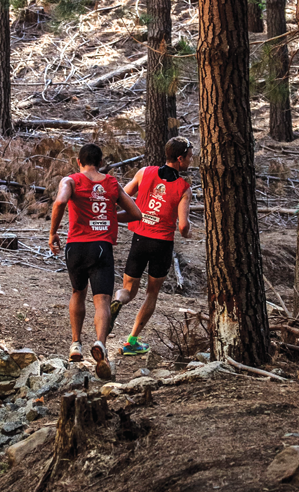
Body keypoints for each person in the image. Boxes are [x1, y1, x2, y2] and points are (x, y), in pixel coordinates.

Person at [49, 143, 142, 379]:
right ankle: (100, 344)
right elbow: (136, 213)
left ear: (78, 161)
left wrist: (53, 233)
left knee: (77, 292)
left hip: (75, 247)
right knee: (102, 301)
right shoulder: (110, 183)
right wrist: (110, 215)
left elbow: (60, 202)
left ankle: (76, 344)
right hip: (101, 247)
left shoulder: (70, 180)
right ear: (101, 162)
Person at [111, 136, 194, 356]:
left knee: (128, 289)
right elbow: (183, 227)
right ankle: (132, 341)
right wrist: (189, 231)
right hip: (162, 245)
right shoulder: (184, 188)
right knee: (151, 294)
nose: (191, 161)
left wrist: (128, 214)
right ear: (179, 158)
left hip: (139, 239)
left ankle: (117, 300)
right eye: (189, 157)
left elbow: (122, 195)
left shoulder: (143, 172)